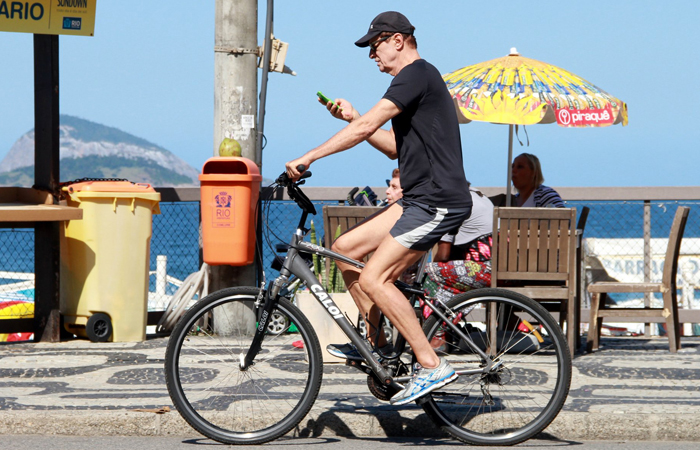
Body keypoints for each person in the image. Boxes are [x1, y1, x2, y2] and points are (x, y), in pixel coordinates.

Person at [285, 11, 471, 405]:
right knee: (345, 249)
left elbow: (367, 126)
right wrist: (353, 118)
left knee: (374, 279)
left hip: (438, 200)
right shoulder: (412, 83)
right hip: (417, 198)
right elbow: (393, 146)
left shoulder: (416, 74)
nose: (372, 54)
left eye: (375, 45)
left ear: (398, 40)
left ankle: (431, 364)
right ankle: (379, 344)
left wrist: (310, 156)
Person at [422, 188, 493, 309]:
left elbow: (443, 254)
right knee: (445, 273)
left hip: (485, 270)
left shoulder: (451, 202)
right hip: (504, 269)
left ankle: (438, 325)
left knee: (427, 273)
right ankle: (447, 321)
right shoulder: (479, 196)